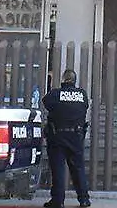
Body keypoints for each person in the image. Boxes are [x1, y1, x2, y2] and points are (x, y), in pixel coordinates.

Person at [41, 69, 91, 208]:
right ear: (74, 80)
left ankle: (58, 201)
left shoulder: (56, 94)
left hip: (58, 137)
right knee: (78, 169)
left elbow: (45, 101)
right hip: (76, 137)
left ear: (63, 79)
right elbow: (85, 107)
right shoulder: (82, 94)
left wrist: (50, 83)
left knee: (58, 169)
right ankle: (84, 199)